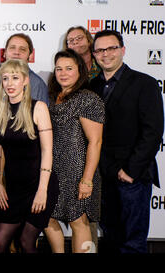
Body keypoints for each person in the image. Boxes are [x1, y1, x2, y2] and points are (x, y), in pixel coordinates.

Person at [90, 30, 164, 253]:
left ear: (122, 50)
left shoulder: (145, 83)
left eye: (111, 48)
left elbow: (153, 133)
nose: (106, 54)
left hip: (133, 177)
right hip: (104, 176)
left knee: (132, 242)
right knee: (111, 237)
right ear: (94, 55)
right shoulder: (92, 87)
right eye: (100, 50)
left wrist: (130, 170)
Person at [0, 59, 58, 253]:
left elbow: (47, 151)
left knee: (26, 242)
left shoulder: (38, 108)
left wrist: (42, 190)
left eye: (15, 78)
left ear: (25, 81)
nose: (10, 83)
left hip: (39, 184)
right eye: (5, 78)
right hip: (12, 187)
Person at [43, 49, 104, 253]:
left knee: (79, 221)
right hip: (54, 169)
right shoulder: (52, 98)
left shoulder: (88, 99)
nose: (63, 73)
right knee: (46, 216)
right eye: (59, 68)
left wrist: (87, 179)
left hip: (79, 170)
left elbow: (95, 141)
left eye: (69, 68)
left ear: (80, 70)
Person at [0, 33, 48, 105]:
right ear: (4, 53)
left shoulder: (37, 84)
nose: (16, 52)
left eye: (22, 49)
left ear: (30, 56)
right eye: (12, 48)